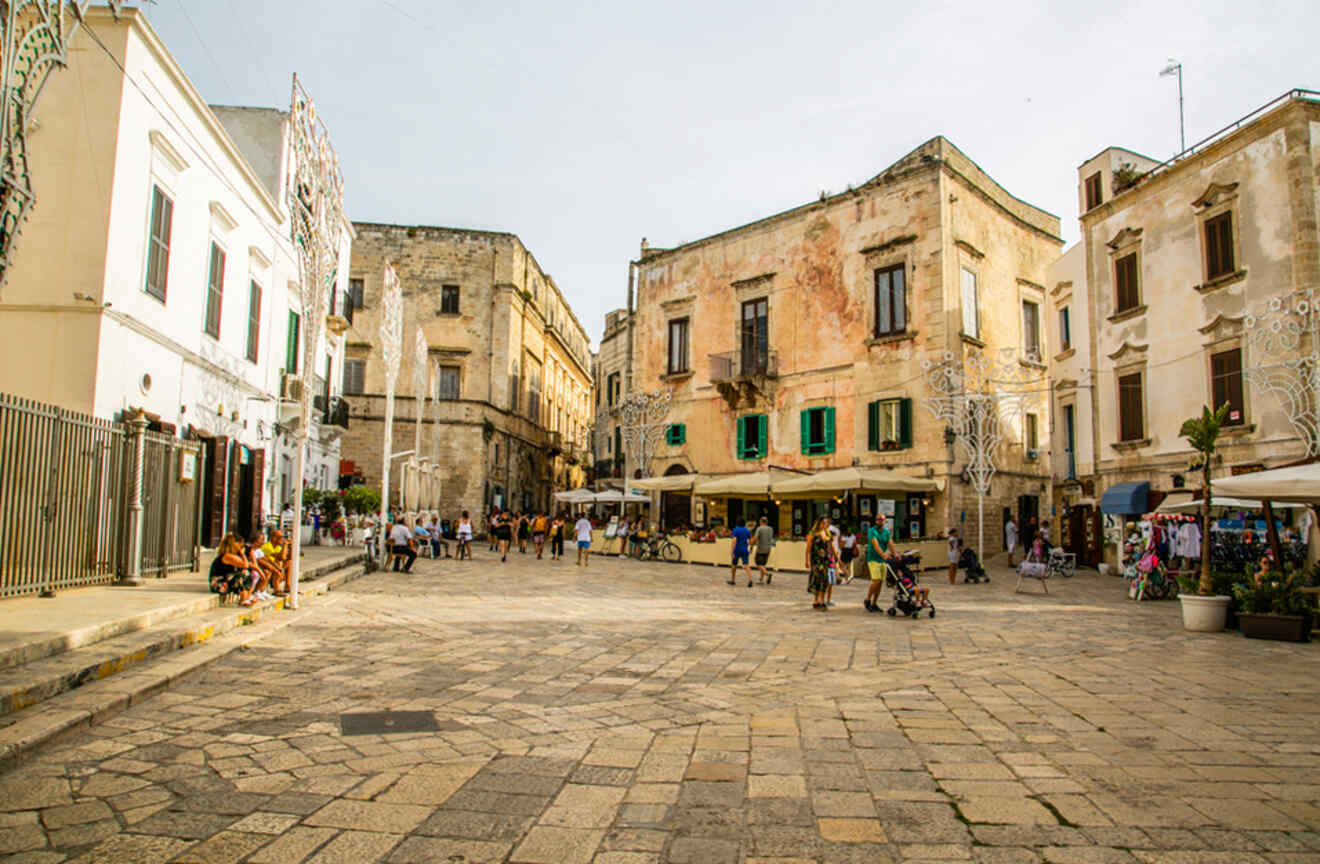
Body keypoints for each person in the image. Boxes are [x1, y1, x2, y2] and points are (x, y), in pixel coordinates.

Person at [209, 533, 254, 606]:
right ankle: (244, 599)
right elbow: (245, 565)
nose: (242, 547)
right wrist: (242, 554)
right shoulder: (227, 556)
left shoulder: (231, 555)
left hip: (225, 581)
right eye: (240, 544)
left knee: (245, 573)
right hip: (218, 584)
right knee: (242, 574)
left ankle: (246, 598)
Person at [864, 513, 897, 612]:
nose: (880, 521)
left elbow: (890, 543)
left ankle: (874, 603)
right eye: (878, 519)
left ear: (885, 521)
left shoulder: (886, 532)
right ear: (875, 521)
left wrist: (895, 554)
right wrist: (883, 554)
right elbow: (875, 544)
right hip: (873, 558)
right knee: (876, 580)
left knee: (880, 583)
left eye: (882, 520)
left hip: (883, 560)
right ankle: (867, 599)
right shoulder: (872, 531)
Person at [806, 517, 832, 610]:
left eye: (827, 523)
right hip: (816, 560)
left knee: (824, 580)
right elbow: (808, 548)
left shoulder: (827, 533)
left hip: (825, 560)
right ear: (820, 523)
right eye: (824, 523)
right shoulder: (812, 534)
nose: (826, 524)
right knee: (817, 579)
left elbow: (829, 547)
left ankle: (822, 600)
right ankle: (816, 600)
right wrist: (807, 560)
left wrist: (833, 558)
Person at [260, 529, 290, 596]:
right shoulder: (267, 546)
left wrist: (291, 547)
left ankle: (288, 586)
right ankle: (276, 589)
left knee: (289, 562)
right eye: (280, 537)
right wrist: (285, 545)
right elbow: (281, 557)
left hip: (275, 567)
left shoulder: (278, 547)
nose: (282, 539)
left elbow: (286, 557)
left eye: (282, 537)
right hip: (267, 567)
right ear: (273, 538)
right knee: (279, 563)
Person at [729, 519, 753, 587]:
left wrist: (732, 551)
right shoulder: (747, 530)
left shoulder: (736, 530)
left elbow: (734, 540)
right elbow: (751, 540)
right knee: (746, 565)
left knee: (734, 565)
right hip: (745, 549)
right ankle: (750, 579)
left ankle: (733, 580)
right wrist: (751, 548)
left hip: (737, 550)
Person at [753, 516, 776, 584]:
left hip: (760, 548)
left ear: (761, 522)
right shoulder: (770, 529)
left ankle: (767, 574)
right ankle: (761, 579)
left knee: (758, 563)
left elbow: (756, 538)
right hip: (768, 548)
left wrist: (751, 544)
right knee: (762, 564)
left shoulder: (759, 529)